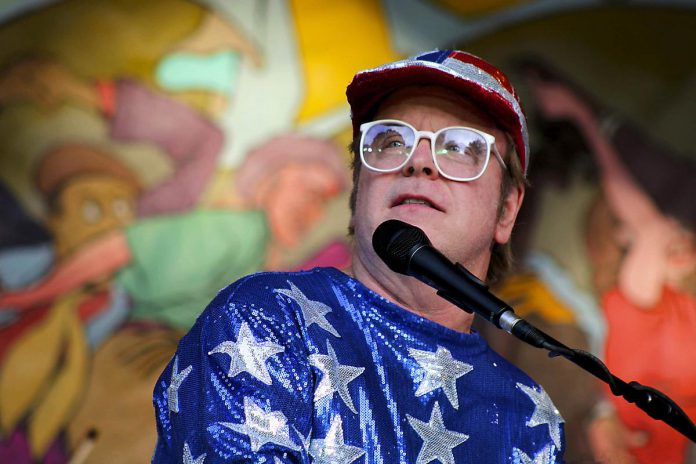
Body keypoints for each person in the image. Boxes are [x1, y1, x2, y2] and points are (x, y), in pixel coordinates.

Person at [151, 50, 565, 463]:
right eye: (390, 140)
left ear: (507, 209)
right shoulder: (267, 317)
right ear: (360, 188)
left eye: (458, 146)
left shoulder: (530, 416)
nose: (418, 160)